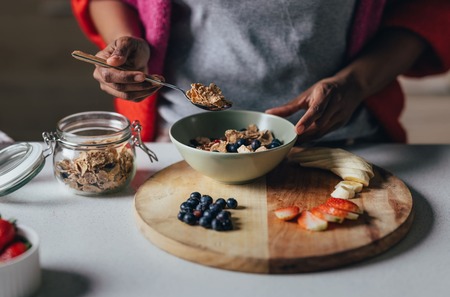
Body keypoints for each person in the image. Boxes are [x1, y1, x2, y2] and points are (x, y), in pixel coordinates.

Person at [71, 0, 450, 143]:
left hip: (344, 138)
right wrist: (127, 42)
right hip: (179, 141)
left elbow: (427, 9)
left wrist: (355, 83)